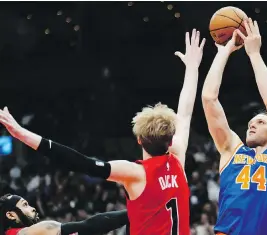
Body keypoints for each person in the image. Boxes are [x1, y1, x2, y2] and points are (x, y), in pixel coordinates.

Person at [0, 28, 206, 235]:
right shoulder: (178, 160)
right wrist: (192, 68)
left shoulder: (136, 173)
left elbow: (78, 161)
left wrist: (22, 134)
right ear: (170, 141)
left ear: (139, 140)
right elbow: (185, 114)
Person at [201, 18, 267, 235]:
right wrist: (223, 52)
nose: (252, 126)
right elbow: (209, 98)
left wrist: (254, 55)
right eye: (250, 124)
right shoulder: (231, 150)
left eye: (261, 122)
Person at [0, 194, 128, 235]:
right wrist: (130, 214)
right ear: (11, 215)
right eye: (25, 205)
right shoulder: (39, 231)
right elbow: (88, 226)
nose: (33, 208)